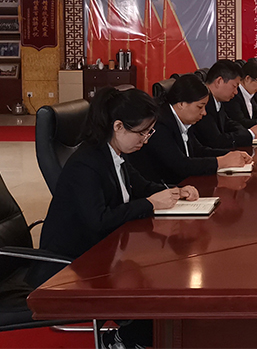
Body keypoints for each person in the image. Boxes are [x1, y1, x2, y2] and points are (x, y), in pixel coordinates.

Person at [40, 87, 198, 349]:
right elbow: (99, 220)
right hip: (74, 261)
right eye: (142, 132)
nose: (145, 140)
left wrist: (175, 191)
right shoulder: (86, 164)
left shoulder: (114, 154)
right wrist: (149, 204)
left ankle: (131, 335)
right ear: (118, 126)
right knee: (158, 292)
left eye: (149, 132)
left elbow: (142, 186)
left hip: (106, 248)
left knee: (165, 276)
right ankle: (122, 339)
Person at [127, 74, 254, 185]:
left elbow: (198, 150)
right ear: (181, 104)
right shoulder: (160, 124)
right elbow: (180, 165)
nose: (204, 113)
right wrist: (220, 162)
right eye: (200, 107)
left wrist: (229, 155)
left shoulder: (182, 120)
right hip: (164, 188)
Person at [191, 60, 257, 150]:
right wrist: (250, 134)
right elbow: (215, 141)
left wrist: (245, 132)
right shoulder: (203, 103)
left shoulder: (217, 101)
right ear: (219, 81)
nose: (236, 92)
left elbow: (228, 123)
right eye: (234, 86)